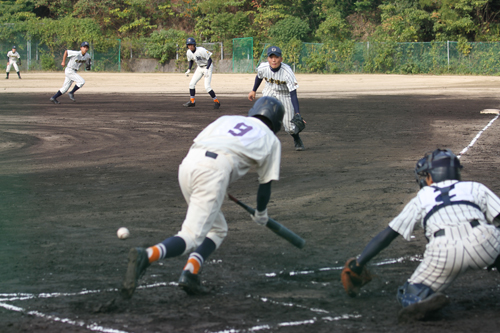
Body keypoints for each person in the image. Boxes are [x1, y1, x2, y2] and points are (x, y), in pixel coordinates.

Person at [121, 96, 285, 299]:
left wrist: (216, 179)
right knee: (190, 236)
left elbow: (204, 145)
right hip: (213, 172)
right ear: (277, 123)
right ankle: (146, 256)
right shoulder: (271, 140)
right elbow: (265, 185)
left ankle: (190, 273)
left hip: (188, 165)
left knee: (218, 229)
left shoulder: (227, 119)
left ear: (254, 111)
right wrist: (261, 213)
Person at [341, 149, 500, 322]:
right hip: (485, 239)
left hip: (444, 252)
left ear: (432, 176)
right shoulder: (474, 187)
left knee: (409, 291)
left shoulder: (422, 197)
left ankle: (420, 300)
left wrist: (359, 263)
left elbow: (387, 235)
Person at [248, 46, 305, 151]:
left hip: (285, 95)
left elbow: (293, 94)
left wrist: (297, 113)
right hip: (269, 91)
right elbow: (259, 76)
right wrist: (254, 90)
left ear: (281, 59)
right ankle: (263, 142)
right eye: (271, 57)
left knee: (290, 127)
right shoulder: (263, 67)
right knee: (264, 117)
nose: (274, 60)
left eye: (276, 57)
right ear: (268, 58)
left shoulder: (287, 72)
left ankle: (296, 138)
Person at [183, 37, 221, 109]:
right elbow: (191, 60)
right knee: (191, 84)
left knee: (207, 87)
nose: (190, 46)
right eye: (189, 45)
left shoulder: (201, 50)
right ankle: (192, 101)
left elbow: (209, 60)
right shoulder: (188, 52)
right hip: (199, 67)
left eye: (191, 45)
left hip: (208, 67)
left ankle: (216, 101)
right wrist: (189, 69)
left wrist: (207, 69)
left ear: (194, 45)